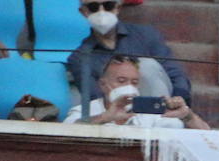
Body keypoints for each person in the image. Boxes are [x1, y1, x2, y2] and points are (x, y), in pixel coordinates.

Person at [66, 0, 193, 110]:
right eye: (93, 7)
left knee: (146, 65)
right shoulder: (79, 58)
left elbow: (175, 74)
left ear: (118, 8)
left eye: (108, 5)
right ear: (84, 12)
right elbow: (94, 98)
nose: (101, 12)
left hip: (161, 110)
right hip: (115, 115)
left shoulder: (146, 35)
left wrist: (178, 101)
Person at [62, 53, 208, 128]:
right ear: (103, 85)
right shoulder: (83, 111)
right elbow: (64, 133)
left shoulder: (148, 113)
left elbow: (208, 137)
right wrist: (105, 117)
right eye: (121, 81)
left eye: (134, 82)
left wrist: (187, 116)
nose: (129, 87)